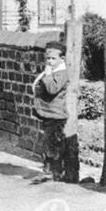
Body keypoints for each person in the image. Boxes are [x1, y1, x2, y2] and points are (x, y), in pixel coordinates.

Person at [31, 40, 68, 182]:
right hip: (49, 114)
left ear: (62, 59)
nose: (50, 61)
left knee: (52, 145)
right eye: (48, 58)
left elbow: (52, 88)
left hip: (56, 115)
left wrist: (47, 75)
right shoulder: (53, 71)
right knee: (48, 143)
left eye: (53, 59)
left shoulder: (61, 73)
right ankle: (51, 171)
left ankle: (54, 172)